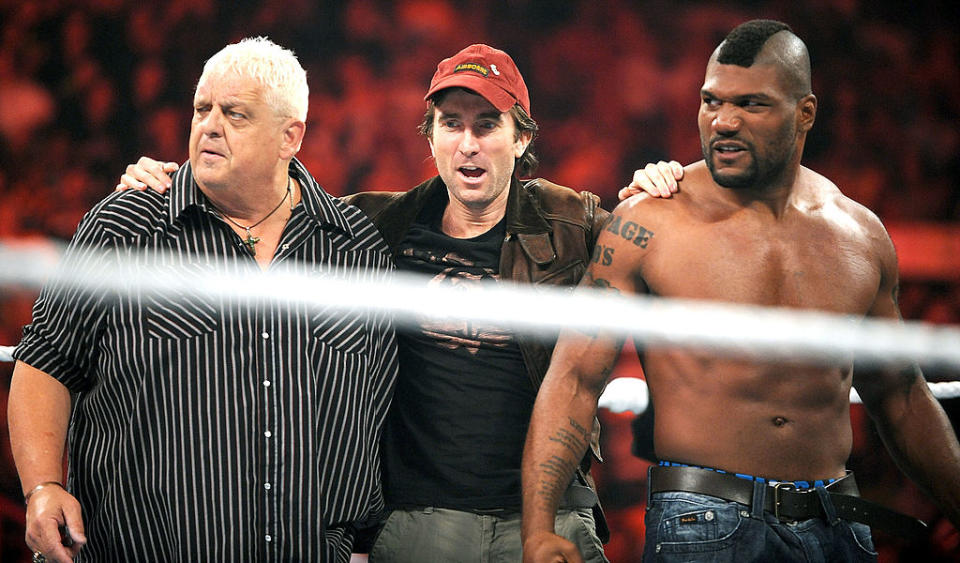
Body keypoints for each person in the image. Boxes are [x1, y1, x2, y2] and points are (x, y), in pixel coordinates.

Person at [117, 43, 684, 563]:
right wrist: (174, 179)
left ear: (521, 138)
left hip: (550, 514)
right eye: (450, 124)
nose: (468, 143)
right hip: (419, 521)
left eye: (487, 125)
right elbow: (259, 208)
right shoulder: (372, 225)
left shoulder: (575, 223)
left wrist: (661, 197)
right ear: (429, 136)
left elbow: (671, 280)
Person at [521, 19, 960, 563]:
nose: (723, 122)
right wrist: (538, 528)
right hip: (703, 520)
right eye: (711, 101)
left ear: (805, 112)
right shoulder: (649, 223)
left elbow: (899, 394)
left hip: (838, 523)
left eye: (751, 104)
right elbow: (575, 376)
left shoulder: (860, 236)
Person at [8, 37, 398, 562]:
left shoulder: (354, 248)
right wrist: (41, 487)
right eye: (202, 109)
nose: (210, 126)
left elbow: (375, 412)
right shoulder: (127, 225)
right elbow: (46, 362)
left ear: (290, 137)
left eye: (235, 114)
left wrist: (362, 545)